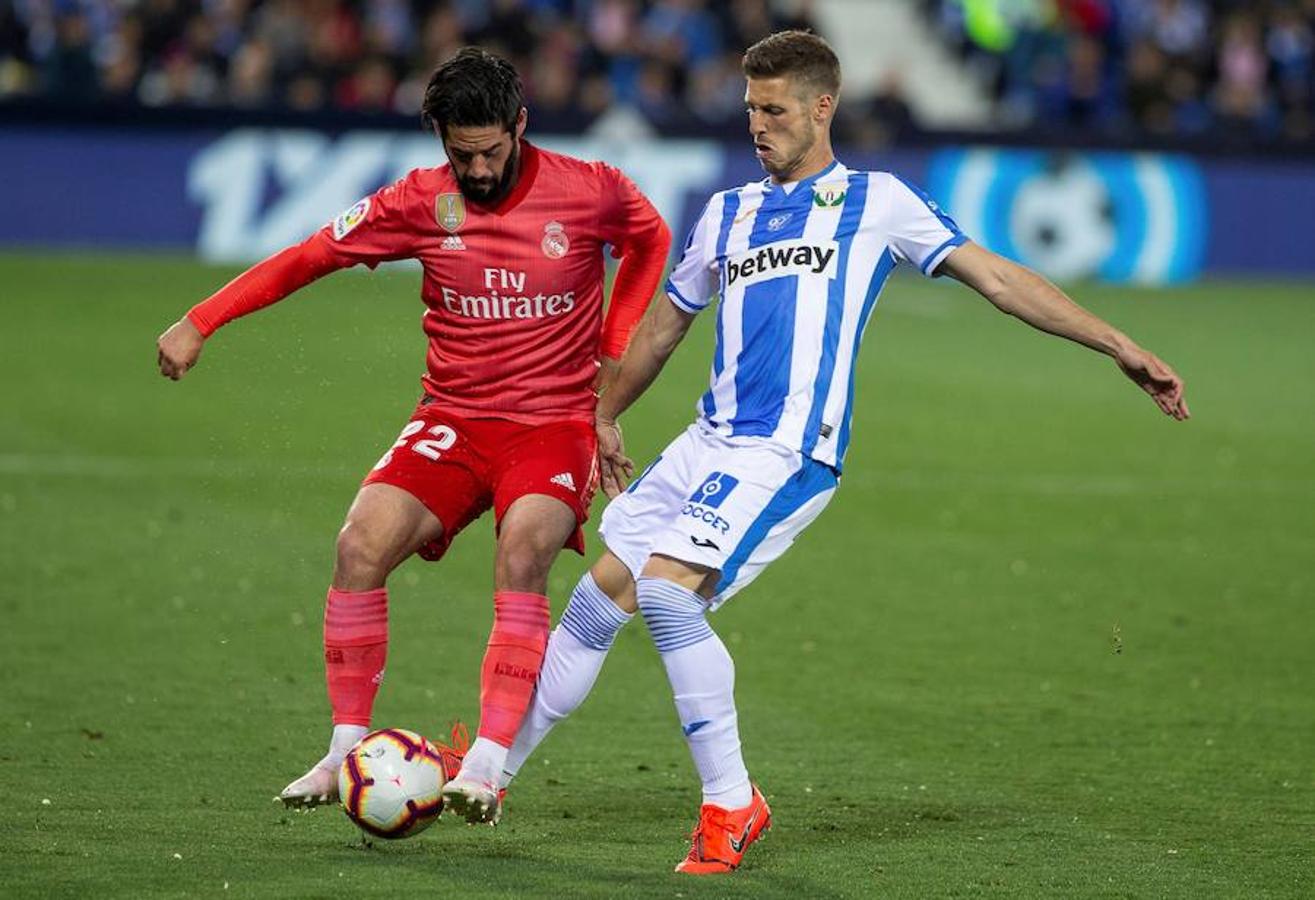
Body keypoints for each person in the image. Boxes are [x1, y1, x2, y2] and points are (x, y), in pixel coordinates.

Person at [496, 29, 1190, 874]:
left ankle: (731, 804)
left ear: (822, 107)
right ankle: (487, 775)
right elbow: (663, 329)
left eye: (774, 110)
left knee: (668, 598)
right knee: (593, 605)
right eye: (750, 109)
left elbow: (1001, 280)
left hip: (788, 450)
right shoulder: (727, 212)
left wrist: (1116, 343)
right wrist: (602, 415)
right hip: (705, 442)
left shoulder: (877, 200)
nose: (757, 125)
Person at [155, 47, 672, 823]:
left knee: (523, 551)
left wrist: (608, 360)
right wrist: (202, 320)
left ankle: (486, 766)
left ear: (520, 125)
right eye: (462, 155)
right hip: (452, 420)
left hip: (552, 425)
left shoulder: (589, 188)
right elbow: (309, 256)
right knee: (358, 545)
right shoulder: (417, 201)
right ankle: (343, 751)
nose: (478, 170)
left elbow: (650, 239)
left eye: (491, 151)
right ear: (439, 140)